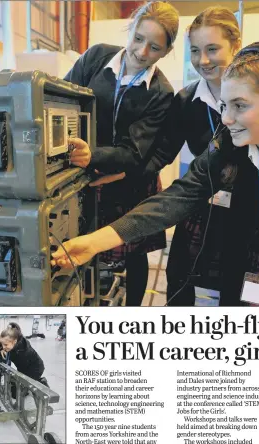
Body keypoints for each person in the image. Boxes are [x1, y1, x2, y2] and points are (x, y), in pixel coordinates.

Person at [53, 41, 259, 307]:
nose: (228, 119)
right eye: (224, 106)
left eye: (240, 106)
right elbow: (181, 196)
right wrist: (95, 241)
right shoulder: (232, 143)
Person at [64, 1, 180, 306]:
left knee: (133, 250)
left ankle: (133, 312)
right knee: (85, 240)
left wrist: (95, 157)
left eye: (154, 47)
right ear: (130, 29)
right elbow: (61, 95)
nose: (142, 52)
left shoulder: (161, 93)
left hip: (131, 179)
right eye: (139, 39)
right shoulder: (96, 57)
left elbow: (134, 152)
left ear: (166, 52)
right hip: (81, 168)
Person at [144, 7, 241, 306]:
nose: (203, 60)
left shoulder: (257, 96)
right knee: (179, 279)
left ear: (236, 46)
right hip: (201, 202)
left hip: (246, 209)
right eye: (195, 50)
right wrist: (125, 173)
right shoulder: (186, 100)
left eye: (213, 49)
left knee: (236, 288)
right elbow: (162, 151)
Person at [0, 323, 48, 396]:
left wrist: (24, 385)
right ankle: (33, 382)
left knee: (16, 394)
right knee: (14, 389)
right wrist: (1, 349)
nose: (3, 346)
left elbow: (24, 372)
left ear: (14, 341)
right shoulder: (9, 342)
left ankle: (41, 382)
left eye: (5, 345)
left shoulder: (22, 351)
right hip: (23, 368)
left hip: (35, 369)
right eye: (2, 344)